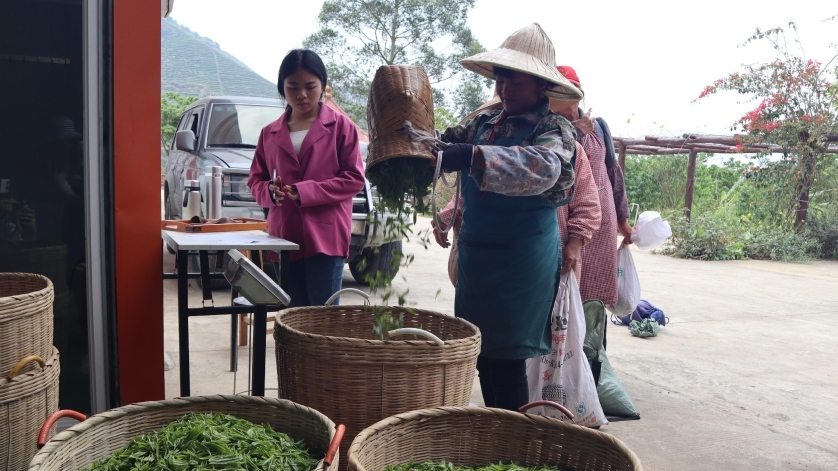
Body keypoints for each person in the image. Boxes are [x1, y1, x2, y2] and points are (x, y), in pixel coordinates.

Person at [431, 24, 582, 411]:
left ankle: (511, 443)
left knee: (508, 360)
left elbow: (543, 167)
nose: (504, 89)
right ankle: (496, 430)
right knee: (481, 353)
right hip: (479, 255)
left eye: (513, 81)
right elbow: (444, 143)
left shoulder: (555, 129)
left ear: (540, 86)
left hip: (522, 260)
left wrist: (475, 156)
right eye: (500, 80)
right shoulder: (484, 123)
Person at [248, 49, 365, 307]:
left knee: (322, 322)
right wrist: (269, 191)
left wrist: (306, 192)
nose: (301, 94)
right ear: (282, 88)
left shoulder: (342, 127)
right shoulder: (269, 133)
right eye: (293, 87)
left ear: (322, 86)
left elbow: (354, 178)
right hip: (284, 236)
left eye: (310, 86)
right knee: (291, 317)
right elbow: (256, 179)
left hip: (326, 236)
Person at [550, 66, 632, 307]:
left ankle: (589, 344)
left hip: (601, 222)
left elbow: (613, 172)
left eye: (567, 91)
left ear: (578, 94)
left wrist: (623, 220)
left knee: (594, 294)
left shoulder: (600, 127)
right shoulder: (547, 129)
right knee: (563, 289)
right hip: (565, 221)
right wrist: (575, 133)